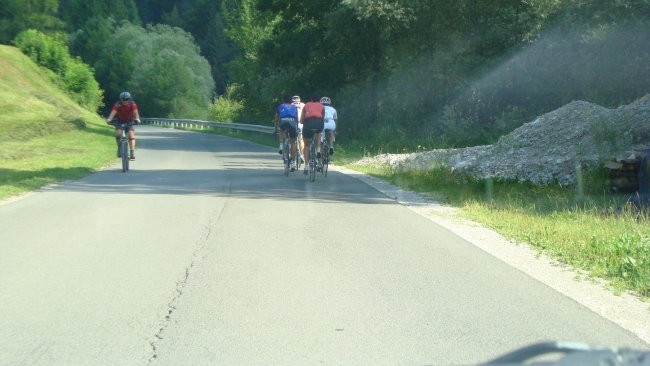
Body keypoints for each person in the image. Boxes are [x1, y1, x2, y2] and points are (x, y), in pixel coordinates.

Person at [106, 91, 140, 160]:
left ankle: (132, 153)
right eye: (123, 99)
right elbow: (113, 112)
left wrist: (137, 119)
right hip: (120, 120)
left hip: (130, 121)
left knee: (131, 135)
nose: (125, 101)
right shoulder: (117, 104)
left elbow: (135, 112)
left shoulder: (132, 104)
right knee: (118, 134)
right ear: (120, 99)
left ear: (129, 99)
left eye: (127, 99)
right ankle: (119, 149)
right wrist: (109, 119)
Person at [300, 94, 325, 174]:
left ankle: (306, 166)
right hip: (318, 122)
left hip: (308, 123)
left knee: (307, 145)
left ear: (311, 99)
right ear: (319, 100)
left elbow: (301, 120)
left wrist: (305, 121)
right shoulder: (322, 106)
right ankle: (318, 149)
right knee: (318, 133)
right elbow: (322, 118)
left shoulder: (306, 105)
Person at [274, 96, 299, 171]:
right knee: (293, 143)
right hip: (292, 122)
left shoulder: (280, 106)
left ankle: (281, 145)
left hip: (283, 121)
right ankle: (293, 163)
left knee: (281, 129)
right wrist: (296, 127)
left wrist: (275, 128)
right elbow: (297, 118)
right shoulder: (294, 107)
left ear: (283, 100)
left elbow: (276, 119)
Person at [291, 95, 305, 163]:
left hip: (292, 123)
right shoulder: (303, 105)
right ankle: (302, 155)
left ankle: (290, 156)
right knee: (301, 140)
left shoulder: (290, 105)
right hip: (301, 124)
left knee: (292, 141)